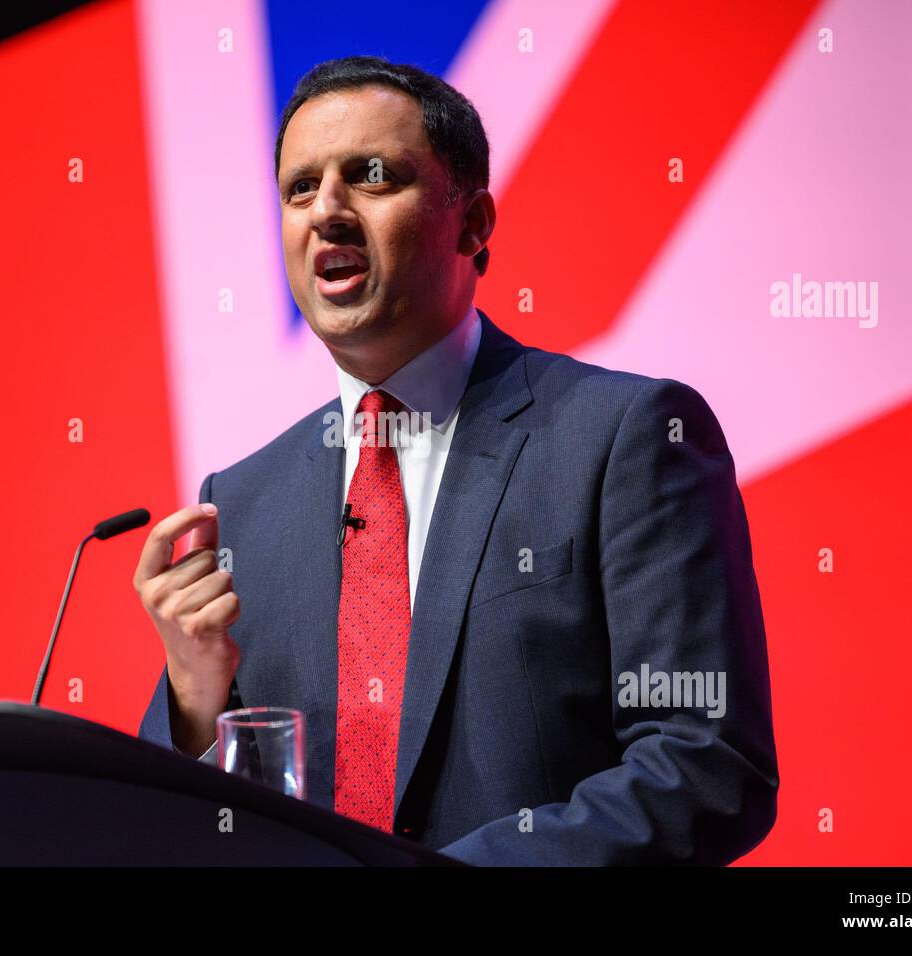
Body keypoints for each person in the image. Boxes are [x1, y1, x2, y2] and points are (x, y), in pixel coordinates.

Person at [136, 55, 777, 865]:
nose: (326, 210)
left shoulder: (625, 435)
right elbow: (201, 829)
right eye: (300, 188)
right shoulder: (242, 501)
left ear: (472, 225)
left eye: (370, 177)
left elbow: (706, 766)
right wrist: (195, 700)